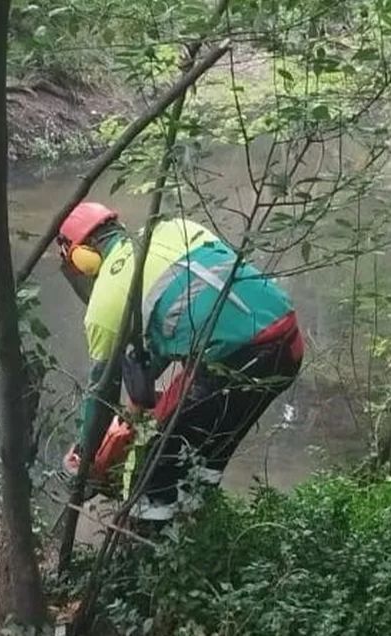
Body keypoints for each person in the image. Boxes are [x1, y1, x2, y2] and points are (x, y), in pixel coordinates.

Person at [58, 201, 304, 521]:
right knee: (205, 456)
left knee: (157, 470)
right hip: (287, 341)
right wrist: (136, 405)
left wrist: (85, 455)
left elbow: (101, 394)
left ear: (82, 257)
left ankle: (144, 554)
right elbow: (173, 326)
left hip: (240, 356)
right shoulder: (173, 229)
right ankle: (197, 534)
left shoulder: (106, 300)